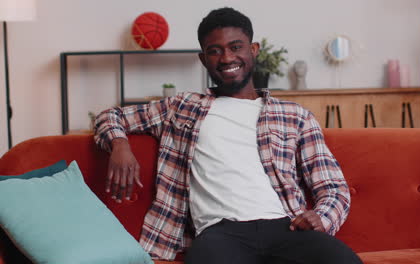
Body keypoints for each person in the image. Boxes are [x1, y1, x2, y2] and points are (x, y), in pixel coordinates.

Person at [94, 7, 362, 264]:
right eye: (214, 51)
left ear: (253, 50)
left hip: (286, 228)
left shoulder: (295, 116)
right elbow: (109, 116)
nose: (226, 58)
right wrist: (119, 145)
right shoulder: (181, 107)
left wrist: (322, 217)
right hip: (219, 235)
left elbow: (334, 188)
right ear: (203, 59)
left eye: (236, 47)